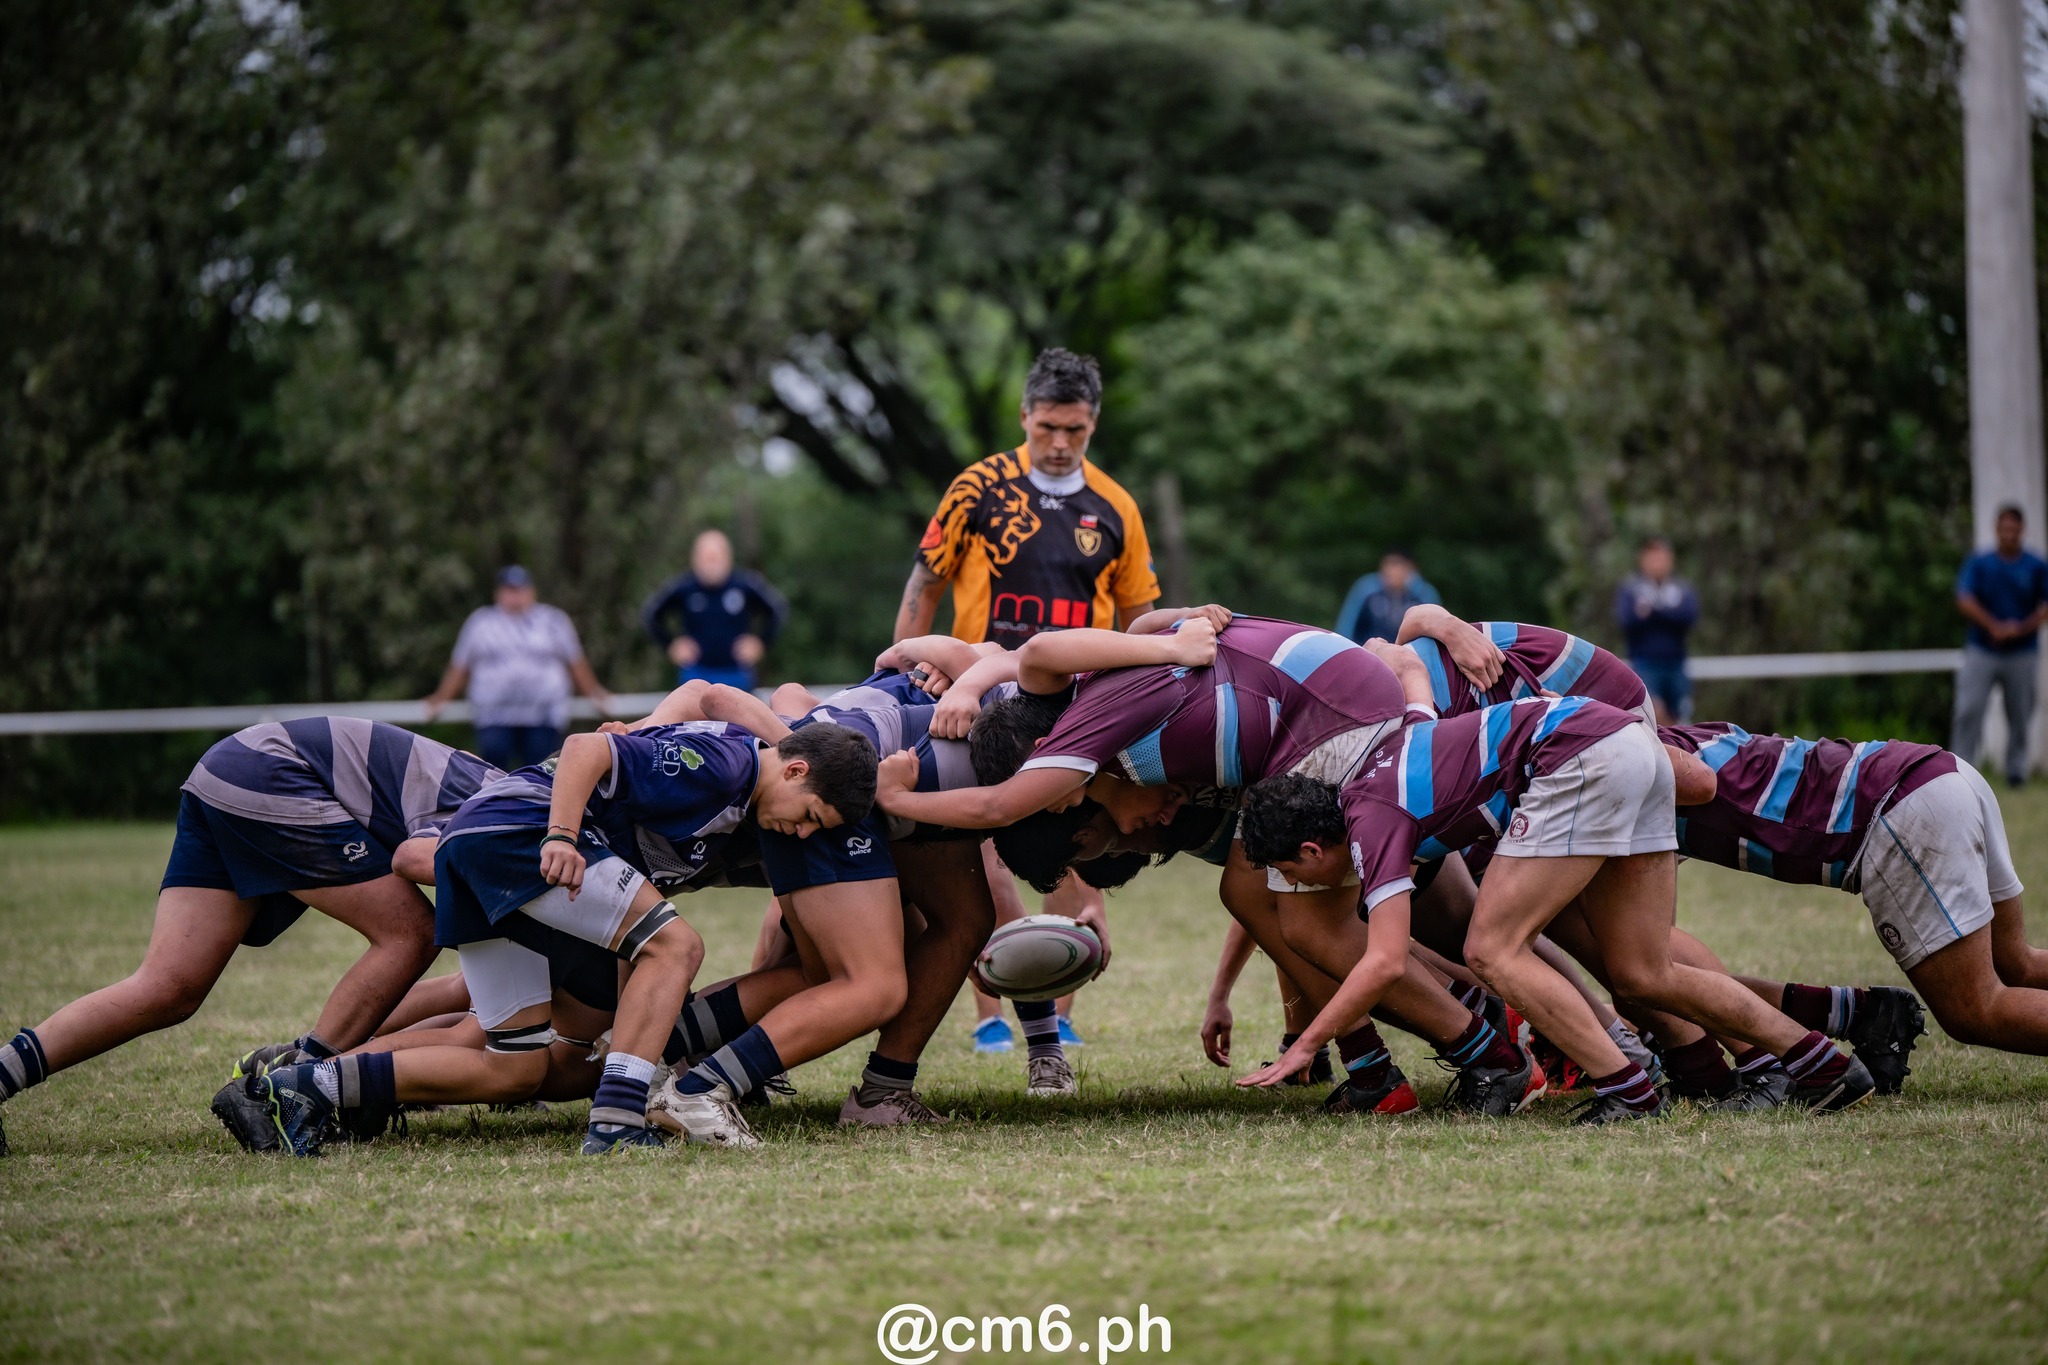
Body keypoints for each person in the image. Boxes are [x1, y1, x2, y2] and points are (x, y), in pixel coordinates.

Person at [211, 720, 877, 1157]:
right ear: (792, 772)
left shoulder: (729, 798)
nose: (804, 833)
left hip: (483, 849)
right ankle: (616, 1123)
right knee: (680, 946)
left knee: (514, 1064)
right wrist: (560, 833)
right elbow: (590, 745)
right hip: (517, 833)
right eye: (812, 815)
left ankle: (304, 1085)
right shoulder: (726, 764)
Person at [1234, 697, 1874, 1124]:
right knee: (1644, 972)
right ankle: (1824, 1065)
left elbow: (1384, 959)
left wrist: (1306, 1045)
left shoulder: (1371, 823)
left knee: (1493, 947)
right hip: (1634, 747)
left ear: (1312, 847)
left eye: (1290, 872)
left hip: (1578, 756)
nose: (1299, 885)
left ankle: (1628, 1091)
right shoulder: (1371, 783)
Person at [0, 719, 498, 1157]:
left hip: (235, 765)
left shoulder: (530, 797)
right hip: (273, 771)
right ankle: (289, 1094)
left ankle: (3, 1076)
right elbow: (429, 859)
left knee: (168, 987)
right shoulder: (519, 814)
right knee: (410, 933)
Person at [892, 346, 1161, 1051]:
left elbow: (1139, 618)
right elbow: (923, 587)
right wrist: (902, 665)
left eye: (1074, 429)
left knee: (1069, 847)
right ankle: (989, 1018)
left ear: (1093, 424)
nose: (1060, 442)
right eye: (1047, 427)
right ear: (1024, 416)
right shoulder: (977, 487)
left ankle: (1056, 1010)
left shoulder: (1116, 507)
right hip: (980, 693)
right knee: (979, 854)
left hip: (1079, 705)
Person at [1664, 720, 2048, 1066]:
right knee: (2016, 962)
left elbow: (1653, 963)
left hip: (1899, 811)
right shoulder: (1679, 737)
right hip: (1939, 771)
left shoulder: (1637, 771)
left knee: (1975, 1010)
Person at [425, 566, 611, 772]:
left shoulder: (553, 621)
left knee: (542, 773)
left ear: (531, 592)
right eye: (509, 590)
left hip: (542, 717)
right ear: (498, 593)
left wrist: (594, 693)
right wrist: (441, 697)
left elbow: (575, 662)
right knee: (490, 772)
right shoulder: (481, 622)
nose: (515, 596)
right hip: (495, 716)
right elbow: (460, 666)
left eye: (520, 589)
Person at [1950, 504, 2048, 788]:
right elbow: (1964, 599)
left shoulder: (2035, 565)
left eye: (2014, 529)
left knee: (2021, 712)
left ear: (2021, 530)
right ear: (1997, 529)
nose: (2009, 534)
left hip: (2022, 652)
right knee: (1968, 709)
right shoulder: (1980, 563)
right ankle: (1960, 769)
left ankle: (2016, 772)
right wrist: (1993, 625)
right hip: (1983, 648)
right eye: (2004, 528)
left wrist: (2022, 627)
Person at [641, 529, 790, 690]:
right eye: (706, 558)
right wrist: (670, 645)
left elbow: (778, 610)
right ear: (695, 559)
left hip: (736, 673)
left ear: (728, 558)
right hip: (695, 674)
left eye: (715, 558)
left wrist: (760, 643)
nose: (711, 565)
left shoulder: (745, 585)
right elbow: (651, 614)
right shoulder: (683, 587)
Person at [1614, 536, 1699, 724]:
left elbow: (1688, 617)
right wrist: (1668, 614)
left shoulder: (1681, 589)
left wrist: (1653, 612)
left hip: (1675, 664)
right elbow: (1627, 620)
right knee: (1654, 712)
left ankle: (1674, 751)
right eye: (1653, 557)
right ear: (1642, 560)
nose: (1657, 563)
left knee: (1680, 719)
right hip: (1645, 664)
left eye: (1662, 557)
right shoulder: (1631, 589)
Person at [1335, 551, 1439, 645]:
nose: (1392, 571)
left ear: (1410, 568)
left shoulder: (1423, 594)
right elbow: (1347, 626)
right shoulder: (1367, 589)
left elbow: (1434, 630)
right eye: (1388, 565)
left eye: (1397, 565)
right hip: (1369, 653)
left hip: (1410, 656)